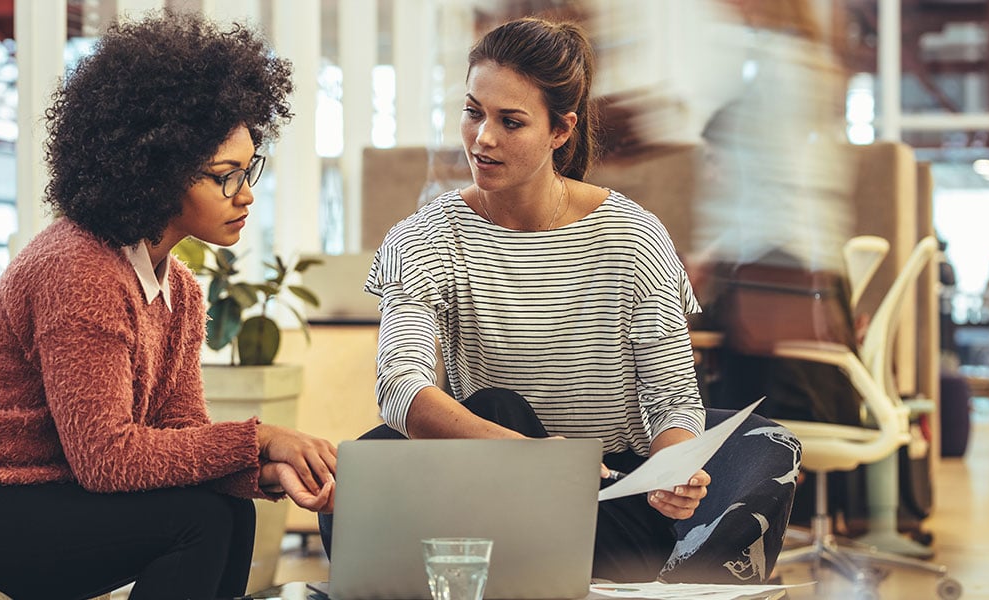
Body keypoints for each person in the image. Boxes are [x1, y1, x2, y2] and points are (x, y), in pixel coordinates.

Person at [0, 13, 336, 600]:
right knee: (198, 521)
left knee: (229, 511)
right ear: (158, 173)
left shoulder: (177, 289)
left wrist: (261, 472)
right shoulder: (80, 269)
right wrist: (259, 440)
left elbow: (177, 436)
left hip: (25, 489)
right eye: (225, 177)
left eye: (249, 169)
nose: (247, 194)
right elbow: (107, 459)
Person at [321, 17, 800, 585]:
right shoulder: (425, 238)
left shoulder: (633, 237)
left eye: (511, 121)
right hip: (484, 482)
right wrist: (541, 460)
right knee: (446, 430)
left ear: (560, 131)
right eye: (473, 111)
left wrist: (677, 469)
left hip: (607, 499)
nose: (483, 138)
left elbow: (673, 400)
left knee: (765, 444)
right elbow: (400, 390)